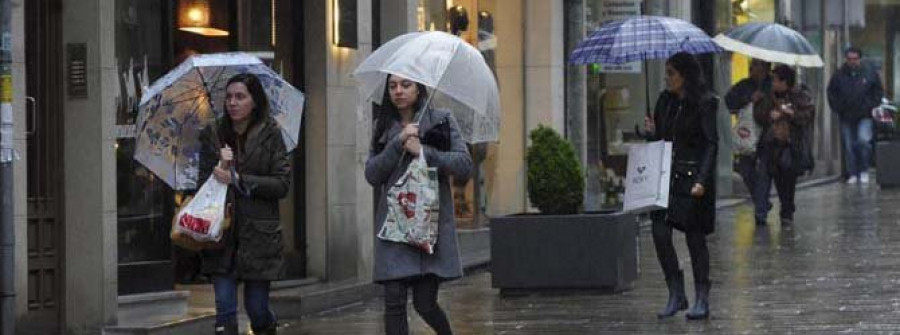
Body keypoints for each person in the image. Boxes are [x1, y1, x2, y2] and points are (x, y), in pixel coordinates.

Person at [365, 74, 473, 335]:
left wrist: (424, 151)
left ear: (419, 88)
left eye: (405, 85)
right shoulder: (382, 126)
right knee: (394, 301)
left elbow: (463, 165)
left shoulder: (442, 120)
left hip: (429, 227)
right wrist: (398, 141)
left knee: (424, 304)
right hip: (394, 227)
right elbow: (372, 174)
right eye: (392, 86)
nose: (398, 91)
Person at [198, 73, 290, 335]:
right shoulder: (213, 134)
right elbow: (200, 183)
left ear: (254, 101)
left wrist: (238, 179)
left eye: (240, 97)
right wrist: (220, 166)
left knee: (257, 309)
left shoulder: (271, 133)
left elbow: (281, 184)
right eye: (228, 97)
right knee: (224, 313)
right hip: (222, 235)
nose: (233, 102)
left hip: (259, 237)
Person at [644, 52, 718, 320]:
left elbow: (711, 143)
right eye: (666, 72)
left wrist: (701, 180)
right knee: (660, 232)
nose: (667, 77)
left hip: (692, 178)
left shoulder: (705, 103)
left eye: (671, 72)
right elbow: (661, 139)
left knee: (695, 238)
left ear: (684, 75)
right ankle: (676, 292)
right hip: (666, 177)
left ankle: (702, 297)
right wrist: (651, 132)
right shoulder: (665, 101)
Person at [753, 65, 815, 226]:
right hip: (769, 144)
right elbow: (758, 116)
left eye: (775, 79)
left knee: (786, 182)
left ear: (784, 82)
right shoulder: (766, 96)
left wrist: (791, 114)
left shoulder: (799, 96)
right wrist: (769, 115)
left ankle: (787, 211)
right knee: (763, 178)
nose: (772, 82)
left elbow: (808, 116)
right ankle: (760, 213)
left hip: (789, 146)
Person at [827, 47, 884, 184]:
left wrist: (871, 105)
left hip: (865, 115)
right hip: (846, 115)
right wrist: (838, 107)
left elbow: (878, 90)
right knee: (849, 145)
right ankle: (852, 173)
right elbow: (831, 92)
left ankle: (864, 170)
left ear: (860, 59)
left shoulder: (869, 73)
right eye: (849, 59)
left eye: (855, 59)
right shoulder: (839, 74)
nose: (852, 62)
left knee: (863, 141)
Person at [724, 59, 772, 220]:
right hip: (748, 135)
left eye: (758, 65)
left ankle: (760, 211)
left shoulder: (772, 85)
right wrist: (749, 98)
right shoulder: (744, 85)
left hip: (766, 136)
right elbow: (729, 101)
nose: (754, 69)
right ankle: (762, 200)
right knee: (746, 170)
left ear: (766, 68)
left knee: (764, 173)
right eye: (752, 65)